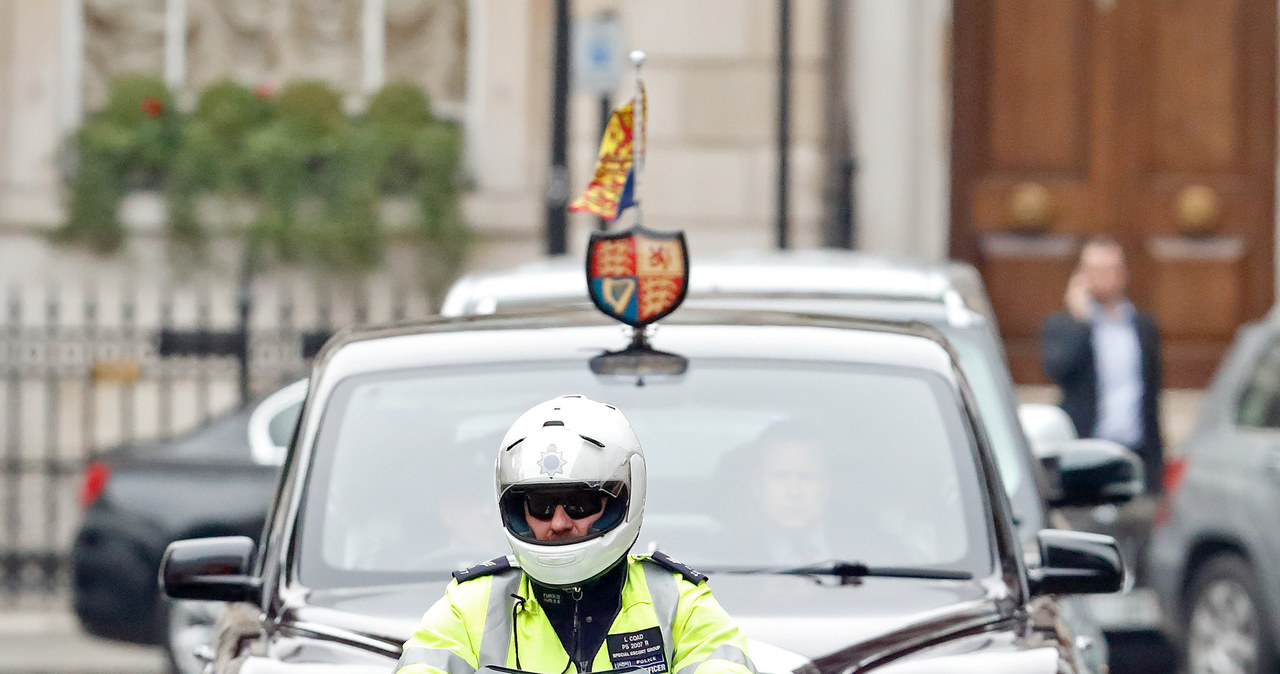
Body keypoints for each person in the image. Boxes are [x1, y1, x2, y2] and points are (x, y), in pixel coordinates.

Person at [396, 395, 756, 674]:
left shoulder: (678, 603)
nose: (558, 522)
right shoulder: (468, 607)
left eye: (580, 504)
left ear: (622, 502)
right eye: (540, 505)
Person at [1041, 237, 1164, 494]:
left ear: (1123, 275)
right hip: (1083, 450)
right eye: (1095, 271)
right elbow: (1056, 369)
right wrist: (1080, 322)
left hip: (1134, 449)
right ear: (1081, 276)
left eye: (1109, 270)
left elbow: (1152, 394)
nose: (1103, 278)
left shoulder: (1142, 326)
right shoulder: (1064, 325)